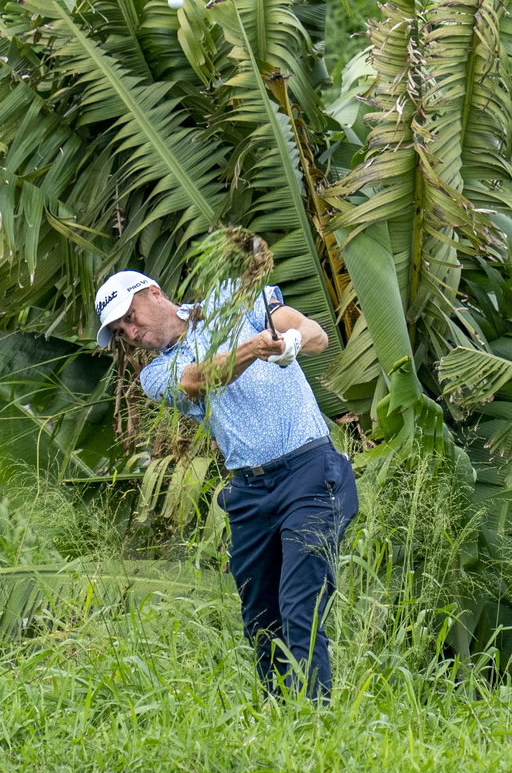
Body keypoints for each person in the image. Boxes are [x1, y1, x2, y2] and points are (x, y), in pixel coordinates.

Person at [93, 269, 357, 701]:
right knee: (260, 619)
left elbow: (313, 334)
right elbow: (200, 378)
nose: (131, 332)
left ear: (153, 293)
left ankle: (316, 723)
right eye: (121, 331)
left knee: (299, 606)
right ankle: (280, 722)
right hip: (251, 492)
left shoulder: (230, 298)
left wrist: (292, 340)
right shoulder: (157, 375)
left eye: (130, 316)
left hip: (311, 471)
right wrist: (258, 345)